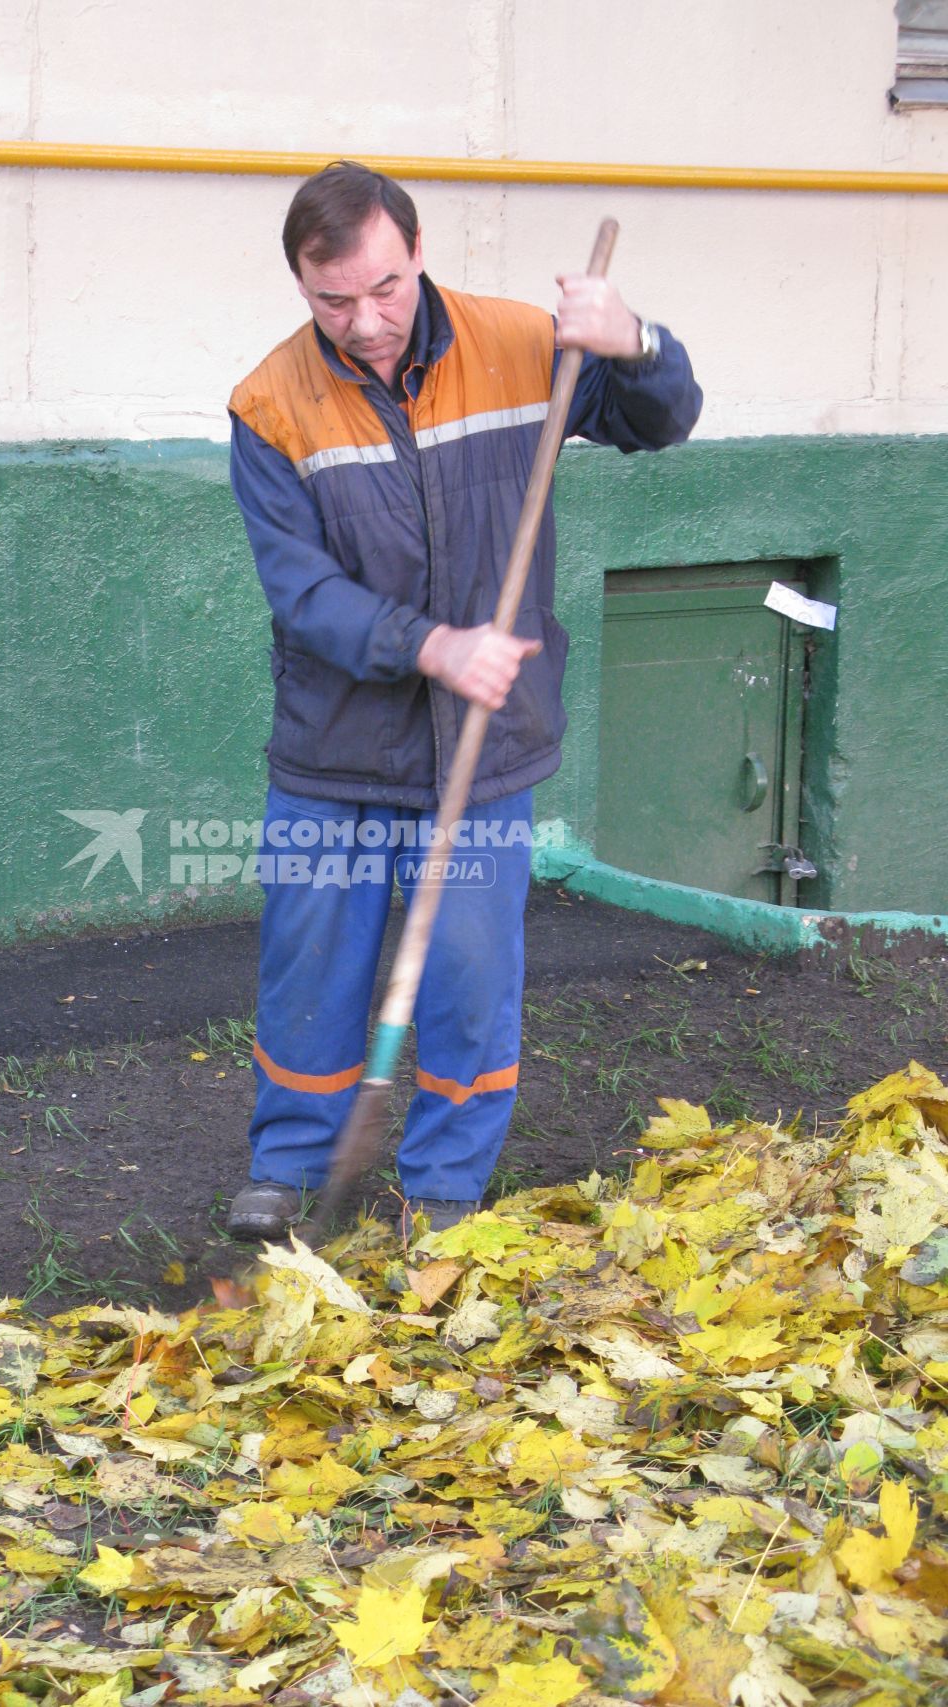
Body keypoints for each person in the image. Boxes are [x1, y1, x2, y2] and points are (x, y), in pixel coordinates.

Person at [225, 161, 701, 1240]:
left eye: (383, 288)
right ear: (300, 284)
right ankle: (289, 1166)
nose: (365, 321)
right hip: (333, 754)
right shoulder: (269, 405)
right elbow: (301, 594)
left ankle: (441, 1191)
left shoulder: (521, 344)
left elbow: (657, 420)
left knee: (467, 975)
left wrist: (636, 342)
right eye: (331, 300)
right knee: (310, 965)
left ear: (416, 248)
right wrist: (432, 646)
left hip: (483, 750)